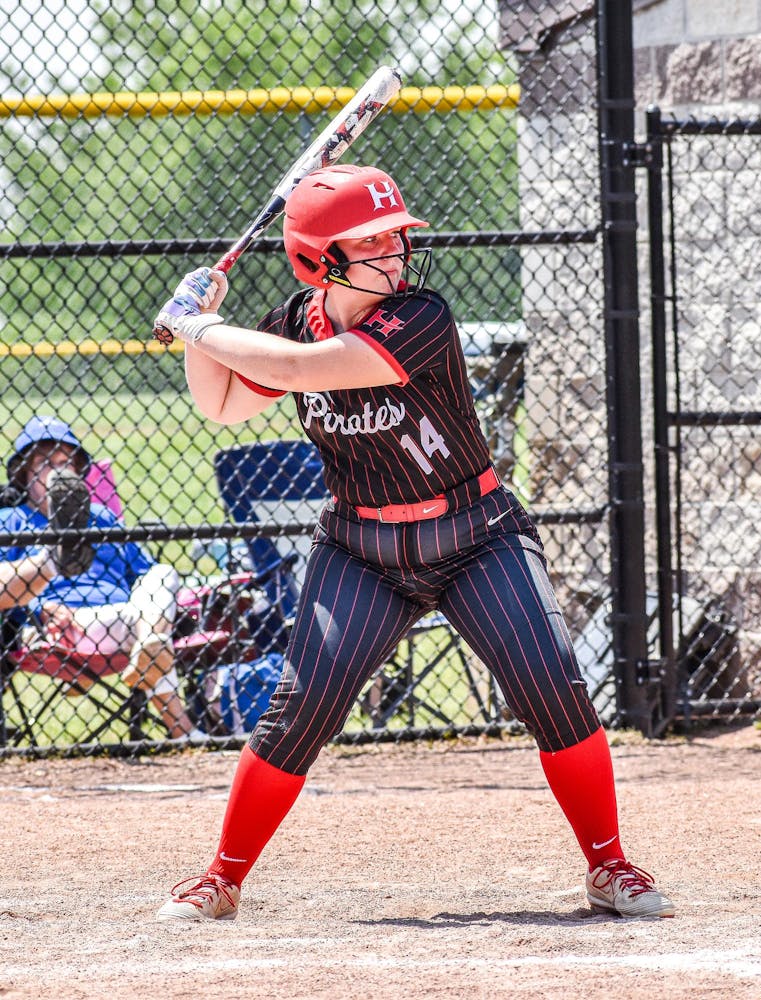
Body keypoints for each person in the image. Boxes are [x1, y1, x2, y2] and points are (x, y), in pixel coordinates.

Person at [153, 163, 674, 921]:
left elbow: (306, 371)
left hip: (475, 536)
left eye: (395, 237)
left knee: (552, 686)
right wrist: (201, 325)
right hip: (360, 550)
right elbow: (223, 403)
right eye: (371, 243)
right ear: (319, 259)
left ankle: (608, 864)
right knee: (300, 710)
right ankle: (221, 877)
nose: (394, 253)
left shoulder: (420, 315)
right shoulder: (292, 321)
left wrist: (197, 326)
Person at [0, 415, 200, 740]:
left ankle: (150, 646)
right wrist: (37, 610)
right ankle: (183, 729)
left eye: (64, 463)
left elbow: (144, 573)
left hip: (128, 618)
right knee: (152, 632)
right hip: (64, 627)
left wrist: (150, 612)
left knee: (163, 573)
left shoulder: (101, 517)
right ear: (24, 473)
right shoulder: (11, 521)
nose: (57, 472)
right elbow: (5, 592)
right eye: (45, 463)